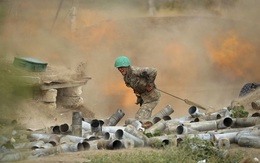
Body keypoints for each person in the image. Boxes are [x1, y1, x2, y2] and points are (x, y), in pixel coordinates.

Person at [114, 56, 161, 122]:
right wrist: (139, 97)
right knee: (144, 119)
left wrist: (149, 84)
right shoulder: (126, 78)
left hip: (151, 98)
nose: (120, 69)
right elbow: (135, 87)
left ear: (127, 66)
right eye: (118, 68)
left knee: (140, 118)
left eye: (122, 67)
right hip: (144, 99)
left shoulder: (136, 71)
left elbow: (153, 71)